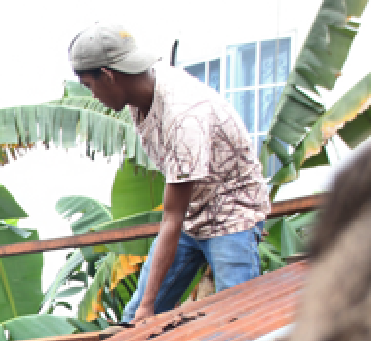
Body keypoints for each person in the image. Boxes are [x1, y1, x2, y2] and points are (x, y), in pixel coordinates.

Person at [69, 23, 271, 323]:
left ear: (109, 76)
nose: (92, 95)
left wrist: (149, 306)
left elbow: (171, 218)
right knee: (133, 320)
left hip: (231, 215)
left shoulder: (184, 115)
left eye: (89, 86)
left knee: (237, 323)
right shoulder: (143, 92)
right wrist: (144, 307)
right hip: (192, 215)